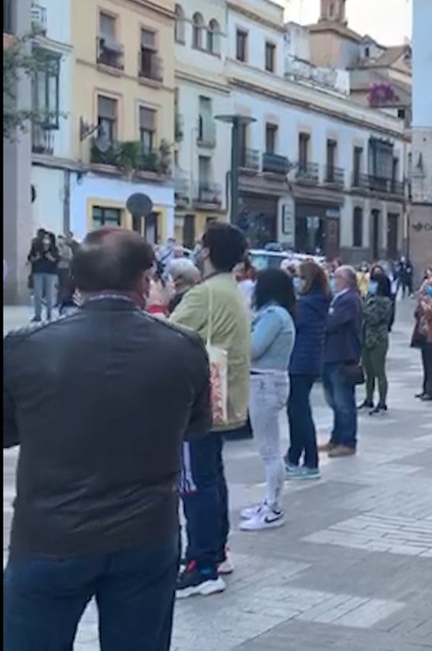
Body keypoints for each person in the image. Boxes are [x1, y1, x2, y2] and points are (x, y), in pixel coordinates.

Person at [2, 228, 211, 650]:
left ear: (76, 282)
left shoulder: (26, 347)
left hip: (50, 535)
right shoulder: (183, 348)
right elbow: (196, 425)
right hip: (146, 535)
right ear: (143, 280)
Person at [169, 222, 252, 599]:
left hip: (198, 404)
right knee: (212, 478)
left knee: (195, 483)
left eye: (201, 247)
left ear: (207, 252)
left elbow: (166, 337)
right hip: (226, 400)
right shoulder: (232, 291)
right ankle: (216, 553)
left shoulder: (204, 294)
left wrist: (159, 304)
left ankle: (200, 564)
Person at [239, 268, 296, 531]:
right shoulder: (277, 314)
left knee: (270, 450)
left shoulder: (273, 316)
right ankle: (269, 502)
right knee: (268, 448)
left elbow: (253, 348)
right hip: (267, 381)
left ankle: (273, 507)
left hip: (265, 382)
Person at [285, 260, 328, 481]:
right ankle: (294, 455)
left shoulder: (307, 305)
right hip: (307, 362)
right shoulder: (317, 302)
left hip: (300, 363)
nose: (296, 281)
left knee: (299, 412)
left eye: (299, 277)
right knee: (298, 411)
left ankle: (309, 460)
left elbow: (293, 326)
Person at [322, 266, 364, 457]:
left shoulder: (350, 299)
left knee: (343, 401)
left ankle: (348, 441)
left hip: (343, 355)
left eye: (337, 277)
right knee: (334, 401)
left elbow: (332, 322)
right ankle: (336, 438)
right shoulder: (337, 298)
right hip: (330, 354)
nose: (334, 280)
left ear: (347, 280)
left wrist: (325, 318)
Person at [360, 266, 395, 415]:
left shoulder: (385, 301)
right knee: (368, 372)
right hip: (366, 337)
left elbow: (374, 318)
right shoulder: (369, 298)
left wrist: (361, 309)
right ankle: (368, 398)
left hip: (378, 338)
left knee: (379, 371)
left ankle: (382, 402)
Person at [27, 230, 60, 322]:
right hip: (38, 272)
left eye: (47, 238)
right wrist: (36, 258)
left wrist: (50, 257)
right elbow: (30, 258)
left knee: (49, 295)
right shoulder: (35, 246)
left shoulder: (54, 248)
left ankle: (49, 315)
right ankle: (38, 315)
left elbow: (57, 260)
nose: (45, 241)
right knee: (37, 295)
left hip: (50, 273)